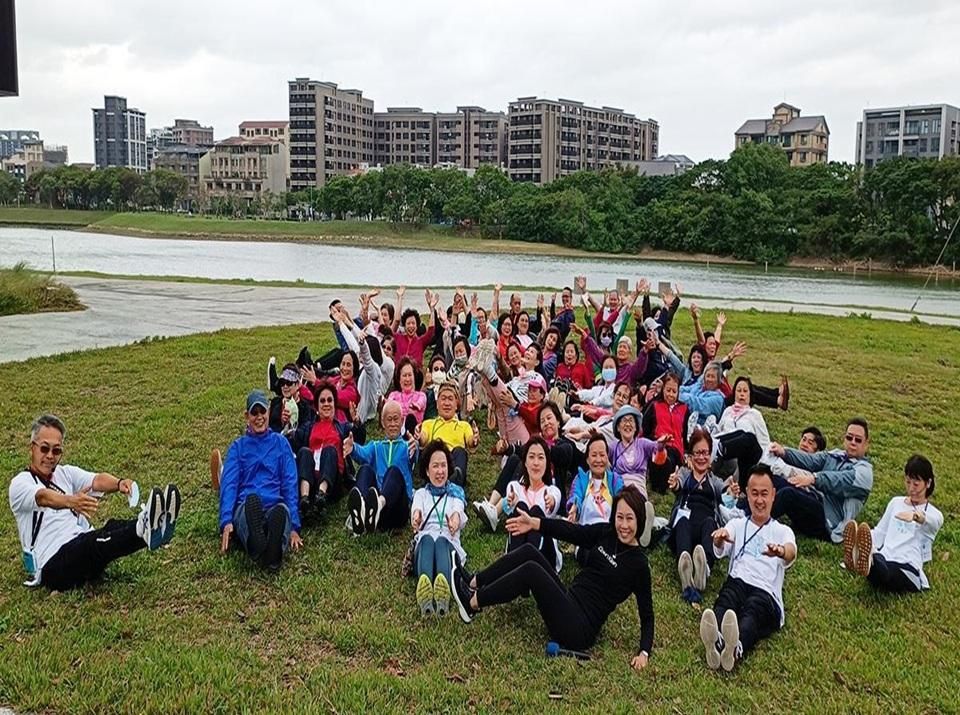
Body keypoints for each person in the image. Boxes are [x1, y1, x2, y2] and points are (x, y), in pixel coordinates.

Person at [450, 486, 654, 672]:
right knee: (529, 551)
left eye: (630, 518)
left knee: (531, 571)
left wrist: (644, 652)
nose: (624, 525)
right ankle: (473, 582)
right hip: (568, 599)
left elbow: (647, 614)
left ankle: (472, 603)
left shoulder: (639, 565)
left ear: (640, 520)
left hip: (579, 629)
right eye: (620, 517)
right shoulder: (606, 533)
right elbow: (571, 532)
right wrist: (534, 523)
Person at [10, 414, 181, 590]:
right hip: (51, 565)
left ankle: (153, 527)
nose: (50, 456)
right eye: (44, 449)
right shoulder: (20, 483)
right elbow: (42, 497)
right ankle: (144, 527)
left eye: (57, 450)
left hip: (78, 547)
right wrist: (71, 501)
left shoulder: (65, 473)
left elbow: (96, 480)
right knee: (92, 544)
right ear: (32, 448)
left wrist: (119, 483)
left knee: (111, 528)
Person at [699, 465, 797, 672]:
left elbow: (791, 552)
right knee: (726, 601)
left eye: (764, 494)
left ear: (773, 496)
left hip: (766, 592)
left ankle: (733, 649)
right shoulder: (738, 524)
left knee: (752, 613)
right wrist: (719, 539)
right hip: (738, 581)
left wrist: (780, 551)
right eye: (754, 494)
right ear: (747, 495)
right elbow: (722, 544)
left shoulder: (782, 530)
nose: (759, 500)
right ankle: (715, 640)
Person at [219, 391, 302, 571]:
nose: (259, 417)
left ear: (268, 412)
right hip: (247, 505)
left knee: (282, 512)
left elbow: (289, 483)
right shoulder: (238, 447)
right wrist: (226, 521)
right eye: (254, 413)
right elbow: (230, 484)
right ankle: (261, 546)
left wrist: (294, 526)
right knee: (248, 508)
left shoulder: (281, 443)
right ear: (246, 416)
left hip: (274, 504)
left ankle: (270, 551)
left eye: (262, 412)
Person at [843, 454, 943, 592]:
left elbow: (932, 523)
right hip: (885, 557)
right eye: (908, 482)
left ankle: (867, 560)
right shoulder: (896, 502)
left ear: (928, 483)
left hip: (909, 568)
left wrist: (916, 516)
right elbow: (880, 533)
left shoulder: (934, 514)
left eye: (916, 483)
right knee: (879, 566)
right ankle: (861, 558)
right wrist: (858, 537)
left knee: (886, 571)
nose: (911, 488)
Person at [767, 417, 873, 543]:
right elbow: (810, 460)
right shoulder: (836, 454)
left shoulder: (865, 473)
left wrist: (814, 478)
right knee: (775, 480)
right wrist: (784, 452)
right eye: (849, 437)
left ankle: (756, 524)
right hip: (815, 502)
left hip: (828, 524)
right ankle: (743, 511)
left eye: (858, 440)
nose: (853, 442)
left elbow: (839, 481)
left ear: (866, 443)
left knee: (788, 495)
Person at [668, 427, 727, 605]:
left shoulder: (715, 480)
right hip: (685, 525)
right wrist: (674, 483)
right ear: (691, 455)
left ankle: (704, 568)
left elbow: (724, 493)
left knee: (710, 523)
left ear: (710, 456)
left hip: (705, 529)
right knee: (683, 522)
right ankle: (685, 566)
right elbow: (677, 484)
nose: (701, 457)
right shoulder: (685, 474)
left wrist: (730, 491)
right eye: (697, 453)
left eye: (705, 453)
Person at [411, 441, 468, 617]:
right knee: (427, 539)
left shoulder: (456, 494)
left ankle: (443, 592)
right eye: (435, 466)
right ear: (427, 471)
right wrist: (416, 518)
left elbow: (458, 512)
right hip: (425, 544)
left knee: (442, 541)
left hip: (448, 542)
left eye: (443, 465)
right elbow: (416, 510)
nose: (440, 471)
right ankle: (426, 592)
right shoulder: (421, 494)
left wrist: (454, 521)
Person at [346, 400, 418, 536]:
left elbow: (414, 456)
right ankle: (362, 511)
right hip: (375, 516)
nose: (392, 424)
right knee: (365, 469)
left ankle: (378, 504)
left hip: (397, 509)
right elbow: (363, 454)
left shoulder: (407, 446)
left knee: (394, 471)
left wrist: (416, 447)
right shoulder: (376, 446)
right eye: (388, 420)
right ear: (383, 423)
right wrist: (353, 447)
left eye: (396, 419)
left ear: (402, 421)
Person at [293, 383, 353, 517]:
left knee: (330, 450)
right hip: (311, 476)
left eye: (330, 400)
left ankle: (322, 495)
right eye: (322, 401)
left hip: (333, 480)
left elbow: (358, 435)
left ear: (334, 404)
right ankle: (305, 499)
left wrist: (357, 423)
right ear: (317, 406)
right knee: (304, 451)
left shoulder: (343, 427)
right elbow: (295, 439)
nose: (326, 404)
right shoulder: (309, 427)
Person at [713, 377, 771, 489]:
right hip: (724, 457)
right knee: (715, 446)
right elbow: (719, 432)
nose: (742, 394)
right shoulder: (727, 411)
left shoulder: (755, 415)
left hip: (742, 460)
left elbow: (765, 443)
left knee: (743, 439)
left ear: (750, 395)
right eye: (739, 391)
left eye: (745, 391)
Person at [418, 380, 478, 488]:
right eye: (443, 399)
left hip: (452, 463)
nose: (446, 403)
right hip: (435, 461)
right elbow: (423, 438)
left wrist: (474, 440)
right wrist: (419, 437)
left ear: (456, 405)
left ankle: (454, 482)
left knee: (460, 451)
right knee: (432, 450)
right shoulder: (428, 423)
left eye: (450, 399)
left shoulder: (464, 425)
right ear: (437, 404)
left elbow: (470, 441)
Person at [643, 372, 689, 494]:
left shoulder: (684, 408)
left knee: (669, 459)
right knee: (659, 455)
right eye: (668, 390)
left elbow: (685, 434)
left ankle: (664, 484)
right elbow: (645, 428)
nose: (671, 395)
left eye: (674, 391)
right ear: (663, 389)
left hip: (675, 449)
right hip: (657, 445)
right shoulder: (654, 405)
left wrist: (687, 453)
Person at [609, 405, 668, 499]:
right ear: (618, 427)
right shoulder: (613, 447)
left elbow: (656, 449)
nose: (628, 424)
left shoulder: (642, 443)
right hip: (619, 491)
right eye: (624, 421)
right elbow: (601, 457)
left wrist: (661, 446)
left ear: (636, 427)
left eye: (631, 420)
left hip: (638, 492)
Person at [387, 357, 427, 435]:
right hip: (396, 431)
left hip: (414, 434)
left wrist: (416, 406)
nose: (407, 379)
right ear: (399, 379)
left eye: (410, 375)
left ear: (414, 377)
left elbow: (421, 403)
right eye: (404, 375)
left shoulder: (421, 395)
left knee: (410, 418)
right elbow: (389, 406)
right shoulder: (393, 395)